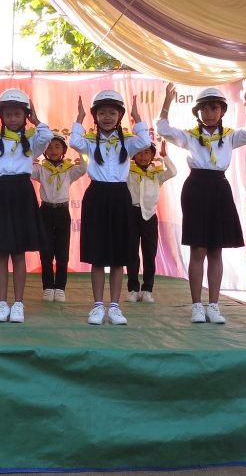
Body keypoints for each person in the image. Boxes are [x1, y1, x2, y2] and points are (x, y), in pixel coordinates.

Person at [156, 83, 246, 324]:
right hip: (196, 188)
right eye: (204, 109)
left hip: (219, 188)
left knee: (216, 250)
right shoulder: (190, 137)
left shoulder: (230, 136)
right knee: (198, 249)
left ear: (223, 111)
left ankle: (213, 306)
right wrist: (167, 102)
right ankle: (196, 306)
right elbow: (161, 128)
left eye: (215, 108)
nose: (209, 113)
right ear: (197, 112)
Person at [0, 88, 52, 323]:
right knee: (2, 252)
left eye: (17, 114)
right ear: (1, 115)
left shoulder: (32, 140)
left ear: (24, 116)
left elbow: (46, 135)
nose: (13, 119)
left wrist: (35, 118)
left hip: (22, 193)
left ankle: (19, 304)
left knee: (18, 252)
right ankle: (2, 303)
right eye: (8, 114)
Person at [71, 91, 151, 326]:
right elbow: (74, 142)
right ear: (95, 117)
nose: (107, 117)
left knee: (119, 257)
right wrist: (80, 116)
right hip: (96, 195)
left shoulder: (128, 142)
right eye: (102, 112)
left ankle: (115, 307)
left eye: (112, 112)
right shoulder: (88, 141)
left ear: (120, 116)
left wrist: (138, 116)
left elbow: (145, 141)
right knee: (98, 256)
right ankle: (97, 306)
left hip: (120, 196)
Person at [31, 133, 87, 303]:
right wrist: (35, 149)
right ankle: (48, 287)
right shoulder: (40, 169)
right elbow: (25, 167)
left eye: (57, 146)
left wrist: (80, 150)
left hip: (62, 212)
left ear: (64, 150)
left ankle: (60, 287)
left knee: (62, 252)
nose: (53, 150)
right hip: (45, 212)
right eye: (49, 146)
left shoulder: (70, 170)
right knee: (46, 252)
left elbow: (84, 167)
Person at [126, 140, 177, 303]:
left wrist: (164, 157)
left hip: (149, 216)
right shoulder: (128, 171)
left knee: (149, 253)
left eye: (147, 152)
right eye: (139, 152)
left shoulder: (156, 173)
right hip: (131, 213)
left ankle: (147, 289)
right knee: (131, 253)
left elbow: (173, 172)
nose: (143, 156)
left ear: (152, 155)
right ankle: (133, 289)